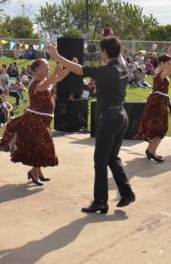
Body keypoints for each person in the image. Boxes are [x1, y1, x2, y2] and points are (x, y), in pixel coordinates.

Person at [48, 37, 136, 214]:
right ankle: (127, 193)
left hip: (110, 118)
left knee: (100, 161)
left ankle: (100, 202)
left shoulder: (106, 71)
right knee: (112, 158)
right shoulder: (122, 69)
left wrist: (57, 56)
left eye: (102, 51)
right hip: (121, 116)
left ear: (105, 52)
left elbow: (79, 70)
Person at [0, 58, 70, 186]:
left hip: (43, 121)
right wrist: (56, 72)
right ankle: (34, 171)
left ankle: (38, 171)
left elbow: (58, 78)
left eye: (48, 66)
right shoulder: (36, 84)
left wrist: (69, 67)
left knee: (38, 147)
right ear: (37, 69)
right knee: (45, 146)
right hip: (35, 121)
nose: (48, 68)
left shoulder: (45, 81)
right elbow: (51, 80)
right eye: (45, 66)